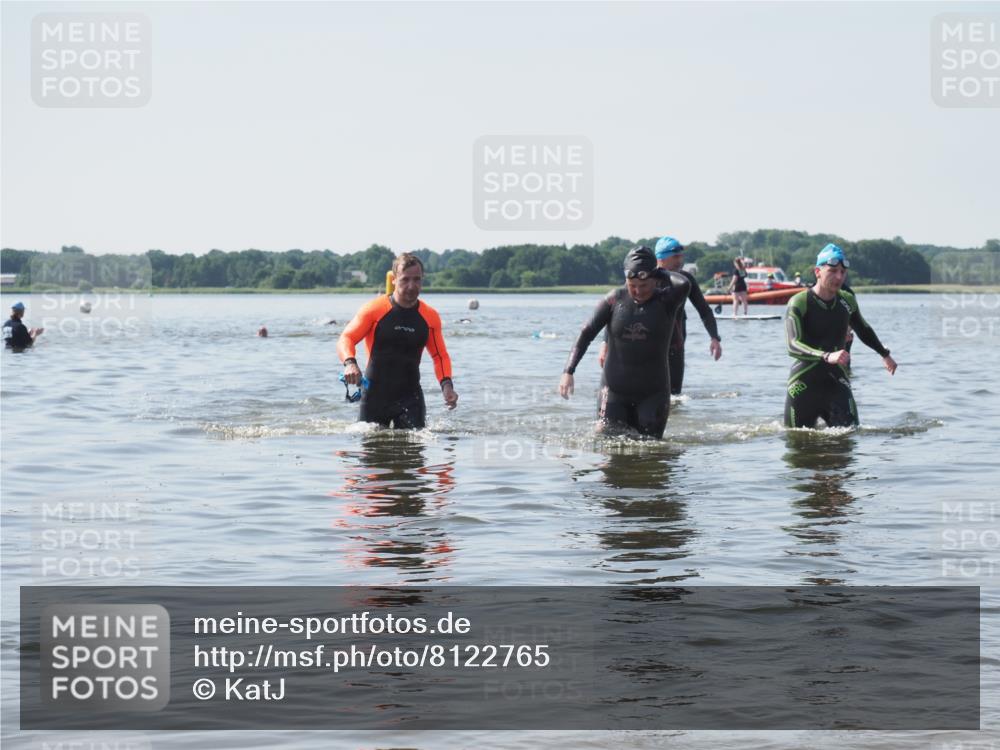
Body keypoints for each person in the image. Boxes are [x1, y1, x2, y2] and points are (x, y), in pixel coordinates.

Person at [559, 246, 690, 438]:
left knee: (650, 451)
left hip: (653, 394)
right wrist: (568, 371)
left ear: (655, 278)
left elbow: (684, 282)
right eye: (632, 285)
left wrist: (657, 270)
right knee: (606, 446)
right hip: (613, 392)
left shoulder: (667, 301)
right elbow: (586, 334)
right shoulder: (614, 300)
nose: (638, 291)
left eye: (644, 286)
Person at [338, 252, 458, 428]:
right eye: (405, 279)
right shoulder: (374, 310)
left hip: (411, 398)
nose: (411, 286)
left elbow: (440, 356)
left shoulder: (430, 316)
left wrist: (446, 385)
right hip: (374, 397)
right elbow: (346, 337)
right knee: (370, 450)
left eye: (417, 279)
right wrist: (350, 363)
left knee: (416, 450)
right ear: (394, 279)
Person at [784, 244, 897, 428]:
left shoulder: (847, 300)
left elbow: (863, 329)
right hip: (803, 384)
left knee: (849, 439)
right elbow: (792, 344)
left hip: (837, 381)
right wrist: (826, 356)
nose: (839, 277)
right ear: (817, 272)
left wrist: (884, 354)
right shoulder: (799, 302)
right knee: (799, 446)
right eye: (833, 271)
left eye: (843, 272)